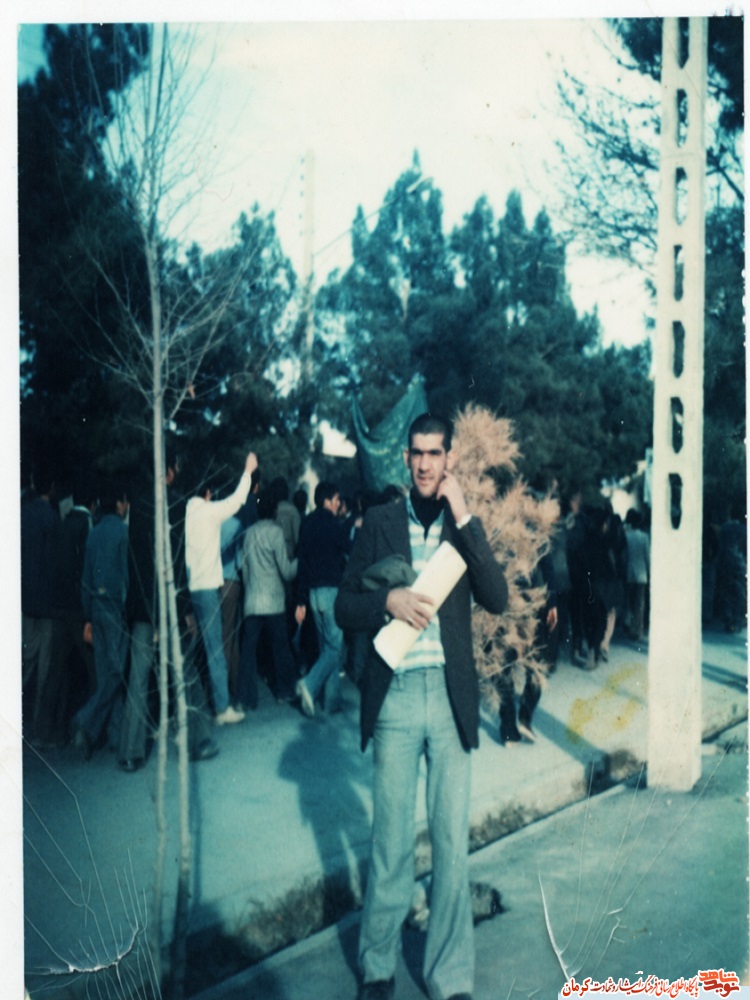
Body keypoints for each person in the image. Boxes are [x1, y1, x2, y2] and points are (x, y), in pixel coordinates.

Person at [335, 413, 508, 1000]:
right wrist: (387, 599)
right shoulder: (381, 521)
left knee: (451, 845)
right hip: (398, 698)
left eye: (436, 453)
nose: (427, 464)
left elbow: (497, 597)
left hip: (451, 700)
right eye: (418, 453)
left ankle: (449, 976)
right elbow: (343, 606)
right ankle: (377, 970)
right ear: (407, 458)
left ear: (449, 458)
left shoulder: (463, 526)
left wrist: (466, 516)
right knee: (390, 843)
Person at [185, 451, 258, 724]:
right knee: (216, 649)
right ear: (208, 493)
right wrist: (248, 471)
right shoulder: (207, 511)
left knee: (195, 649)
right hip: (208, 587)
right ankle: (222, 707)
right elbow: (236, 500)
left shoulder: (185, 513)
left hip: (191, 588)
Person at [72, 480, 130, 760]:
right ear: (119, 504)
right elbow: (127, 576)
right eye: (125, 501)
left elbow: (85, 579)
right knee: (117, 673)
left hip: (95, 607)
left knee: (107, 674)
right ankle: (86, 719)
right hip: (115, 610)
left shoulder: (94, 534)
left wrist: (87, 617)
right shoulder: (123, 532)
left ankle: (112, 736)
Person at [238, 488, 298, 708]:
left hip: (253, 601)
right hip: (273, 601)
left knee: (248, 651)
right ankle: (285, 691)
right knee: (280, 647)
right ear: (274, 511)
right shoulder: (275, 532)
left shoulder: (248, 534)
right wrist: (299, 561)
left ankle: (246, 698)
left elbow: (244, 570)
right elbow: (286, 571)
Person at [294, 482, 350, 717]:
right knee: (334, 648)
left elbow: (302, 564)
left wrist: (301, 601)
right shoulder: (335, 525)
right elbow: (348, 550)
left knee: (325, 648)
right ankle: (309, 684)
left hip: (313, 594)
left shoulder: (307, 523)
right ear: (327, 500)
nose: (338, 504)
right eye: (336, 499)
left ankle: (331, 702)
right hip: (331, 591)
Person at [21, 468, 64, 747]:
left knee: (25, 662)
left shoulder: (22, 514)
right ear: (53, 488)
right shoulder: (52, 518)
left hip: (26, 602)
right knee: (44, 670)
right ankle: (38, 730)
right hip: (48, 606)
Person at [624, 509, 650, 643]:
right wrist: (650, 572)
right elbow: (647, 557)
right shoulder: (644, 537)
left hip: (629, 573)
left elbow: (625, 556)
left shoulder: (627, 536)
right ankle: (638, 630)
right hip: (641, 575)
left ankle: (629, 626)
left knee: (630, 602)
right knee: (639, 604)